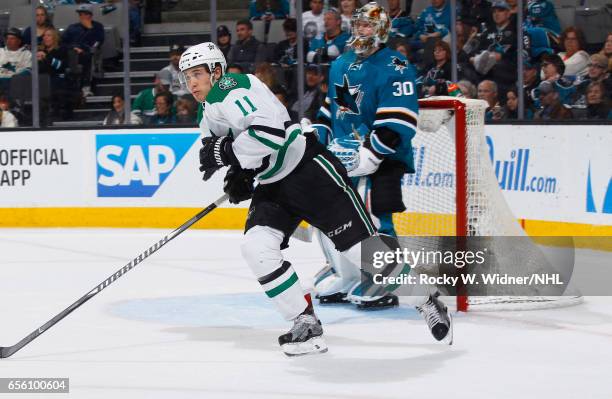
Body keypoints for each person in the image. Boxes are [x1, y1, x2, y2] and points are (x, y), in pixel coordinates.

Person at [178, 45, 452, 356]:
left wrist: (228, 153)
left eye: (197, 74)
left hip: (309, 172)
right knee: (256, 248)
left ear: (216, 71)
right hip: (273, 184)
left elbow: (270, 135)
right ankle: (304, 322)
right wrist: (239, 173)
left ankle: (425, 299)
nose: (192, 83)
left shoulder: (233, 86)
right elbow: (230, 149)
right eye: (187, 77)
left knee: (361, 252)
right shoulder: (206, 111)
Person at [310, 2, 451, 321]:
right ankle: (346, 273)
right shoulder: (341, 63)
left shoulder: (396, 65)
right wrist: (317, 135)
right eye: (358, 25)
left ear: (383, 30)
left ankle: (383, 280)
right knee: (327, 214)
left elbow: (400, 120)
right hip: (342, 156)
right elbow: (331, 109)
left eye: (368, 26)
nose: (361, 31)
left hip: (383, 158)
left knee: (373, 216)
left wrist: (370, 153)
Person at [469, 0, 517, 93]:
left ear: (508, 14)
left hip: (505, 68)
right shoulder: (487, 31)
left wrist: (483, 58)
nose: (496, 14)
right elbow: (473, 51)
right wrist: (474, 59)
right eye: (494, 11)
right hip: (483, 65)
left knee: (494, 64)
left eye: (500, 11)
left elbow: (500, 55)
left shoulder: (513, 32)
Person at [61, 4, 105, 97]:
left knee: (87, 55)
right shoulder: (72, 27)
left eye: (85, 14)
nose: (82, 16)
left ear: (90, 15)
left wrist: (90, 29)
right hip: (72, 52)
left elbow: (99, 41)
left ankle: (85, 87)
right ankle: (72, 86)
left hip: (87, 52)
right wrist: (73, 48)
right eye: (80, 14)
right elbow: (62, 42)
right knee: (71, 54)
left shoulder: (97, 27)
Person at [37, 27, 74, 121]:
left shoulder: (61, 50)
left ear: (55, 38)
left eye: (48, 35)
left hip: (58, 80)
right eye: (44, 36)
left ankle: (55, 112)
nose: (45, 38)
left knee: (55, 83)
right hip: (42, 80)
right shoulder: (40, 52)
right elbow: (38, 70)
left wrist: (47, 58)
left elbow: (60, 66)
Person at [0, 28, 32, 95]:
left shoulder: (26, 54)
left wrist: (13, 80)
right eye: (7, 38)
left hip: (16, 85)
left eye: (12, 38)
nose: (9, 41)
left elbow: (28, 71)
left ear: (19, 41)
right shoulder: (0, 51)